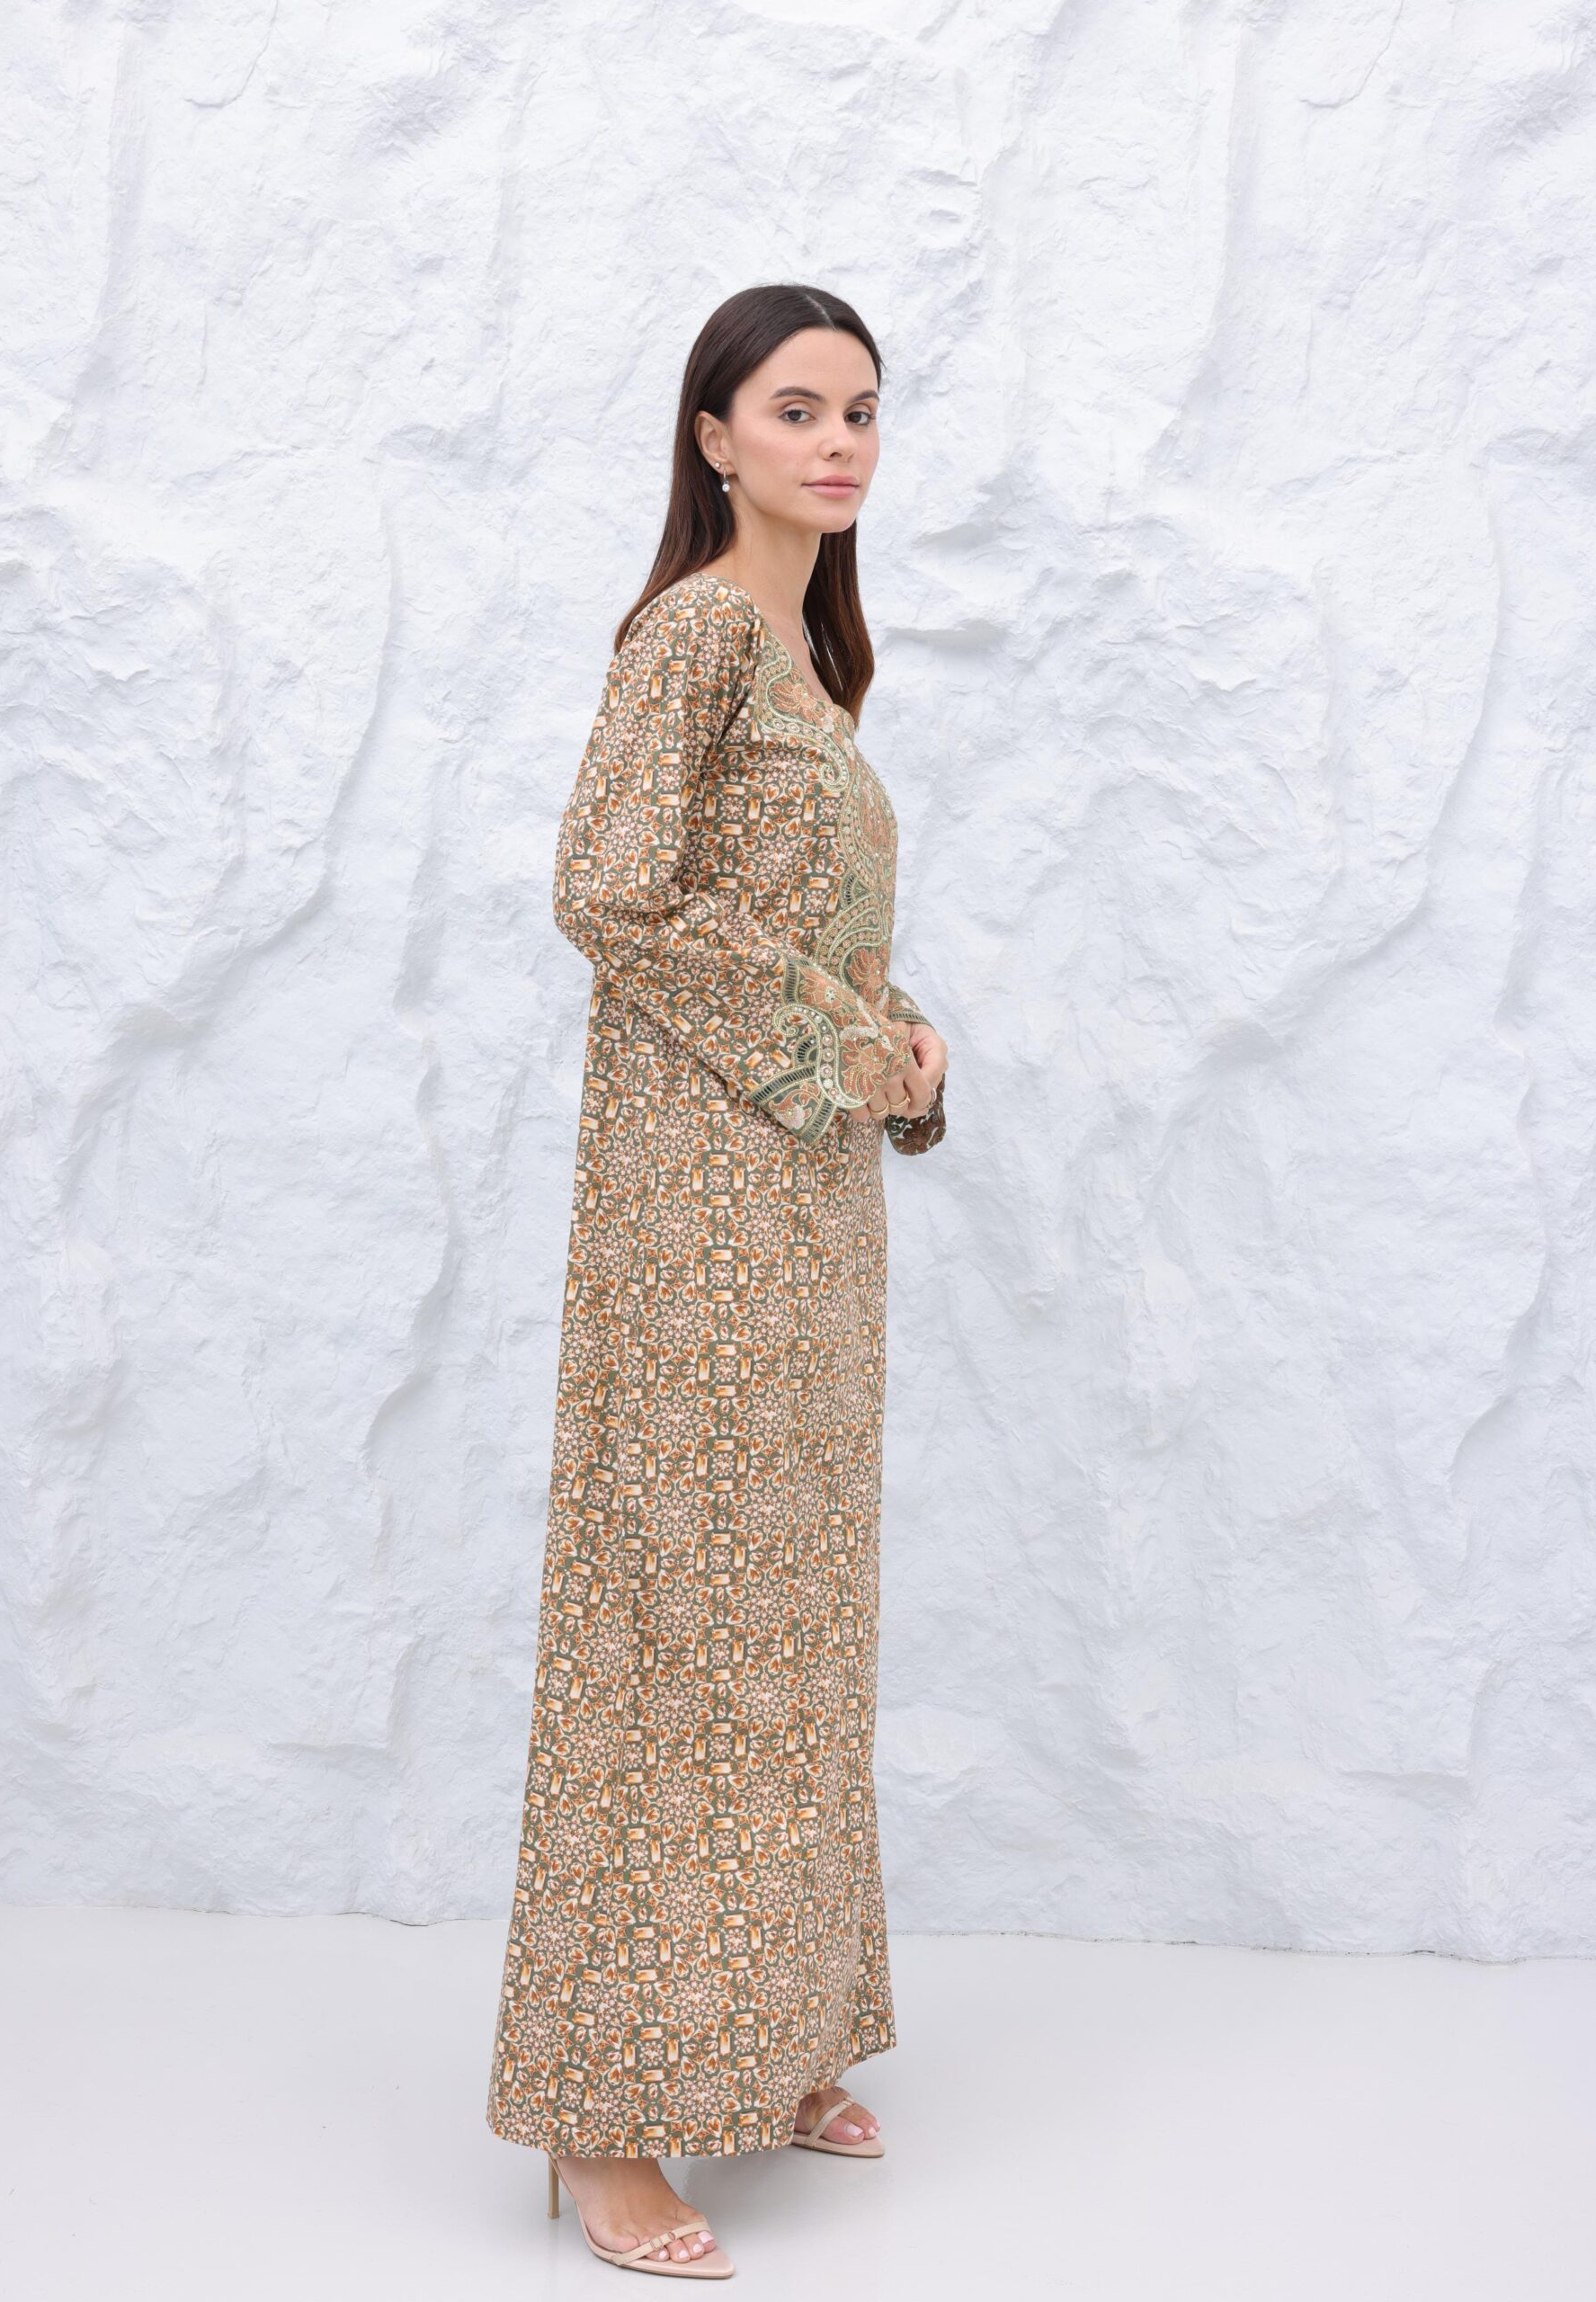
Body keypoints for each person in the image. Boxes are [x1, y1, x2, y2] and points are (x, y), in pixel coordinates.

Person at [486, 281, 950, 2280]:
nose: (837, 443)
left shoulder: (811, 659)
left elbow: (808, 933)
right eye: (795, 409)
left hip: (809, 1216)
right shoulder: (691, 633)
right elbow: (606, 888)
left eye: (860, 410)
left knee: (791, 1619)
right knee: (672, 1627)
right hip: (695, 1206)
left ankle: (768, 2037)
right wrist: (834, 1043)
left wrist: (903, 1040)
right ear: (713, 436)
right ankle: (603, 2123)